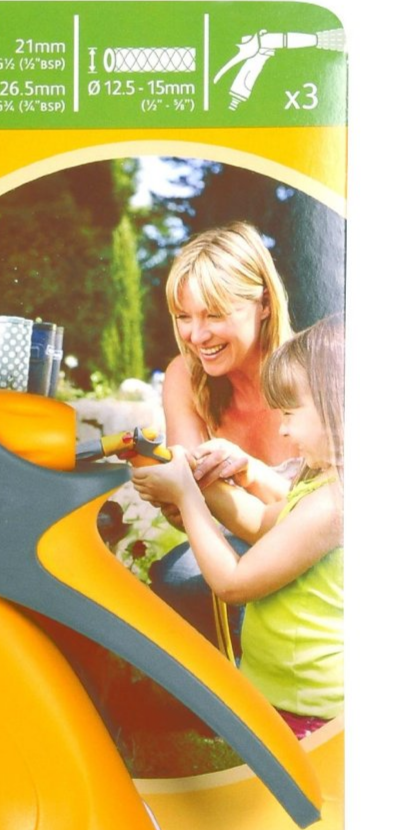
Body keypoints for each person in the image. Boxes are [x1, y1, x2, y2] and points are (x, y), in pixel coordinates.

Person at [133, 315, 343, 736]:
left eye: (290, 413)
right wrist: (203, 483)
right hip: (285, 699)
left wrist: (187, 498)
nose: (283, 429)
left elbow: (233, 583)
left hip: (308, 713)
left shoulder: (335, 502)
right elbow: (265, 524)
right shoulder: (322, 480)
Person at [144, 222, 301, 644]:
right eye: (184, 317)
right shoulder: (186, 376)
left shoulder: (313, 371)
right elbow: (189, 506)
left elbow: (327, 516)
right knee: (177, 579)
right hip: (234, 551)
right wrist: (178, 495)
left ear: (263, 304)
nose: (197, 336)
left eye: (214, 314)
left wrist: (202, 488)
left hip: (315, 546)